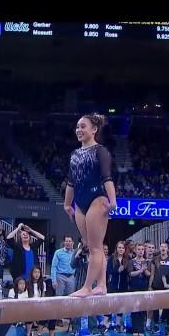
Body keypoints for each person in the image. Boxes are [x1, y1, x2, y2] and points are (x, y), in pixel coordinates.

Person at [63, 113, 116, 297]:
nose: (79, 130)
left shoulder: (101, 151)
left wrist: (113, 200)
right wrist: (67, 204)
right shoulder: (74, 154)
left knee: (95, 247)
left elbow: (107, 176)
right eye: (77, 126)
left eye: (83, 126)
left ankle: (87, 287)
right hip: (80, 202)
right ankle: (101, 285)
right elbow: (71, 181)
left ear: (94, 129)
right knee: (92, 246)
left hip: (97, 200)